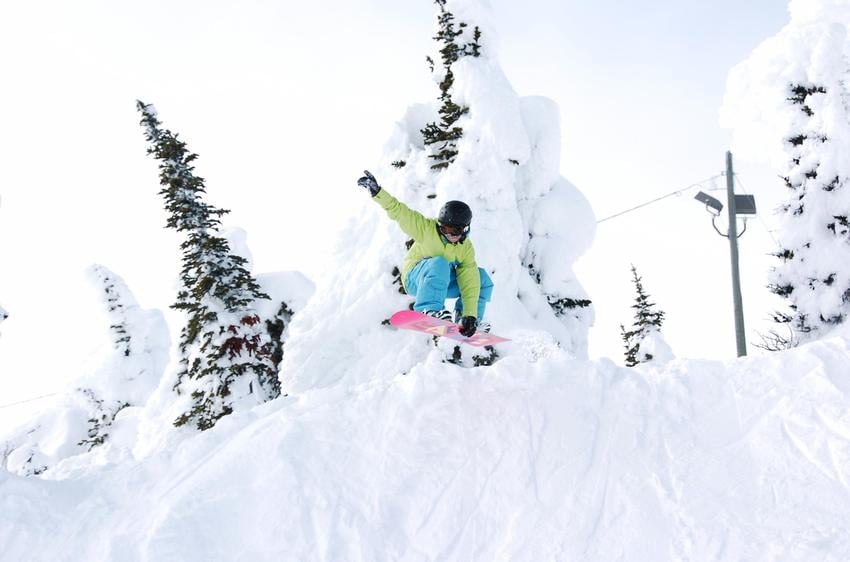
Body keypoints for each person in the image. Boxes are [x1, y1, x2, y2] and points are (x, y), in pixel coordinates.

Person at [357, 170, 493, 337]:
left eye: (452, 231)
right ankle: (428, 309)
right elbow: (399, 211)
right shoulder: (427, 229)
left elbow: (469, 281)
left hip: (439, 281)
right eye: (443, 228)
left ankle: (469, 321)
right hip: (415, 278)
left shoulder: (465, 248)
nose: (447, 234)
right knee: (440, 262)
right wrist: (378, 193)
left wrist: (470, 314)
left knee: (481, 278)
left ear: (464, 229)